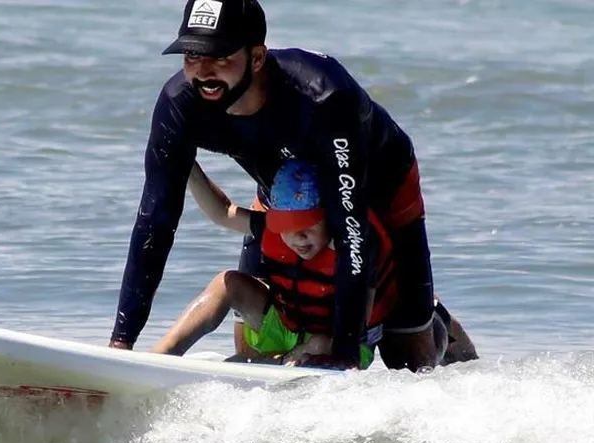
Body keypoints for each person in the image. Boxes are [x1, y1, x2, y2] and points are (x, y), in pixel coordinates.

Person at [109, 0, 464, 370]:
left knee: (409, 363)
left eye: (220, 57)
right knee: (252, 352)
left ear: (257, 57)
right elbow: (155, 221)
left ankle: (436, 318)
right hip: (287, 197)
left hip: (379, 187)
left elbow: (352, 233)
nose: (203, 72)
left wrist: (341, 353)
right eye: (191, 57)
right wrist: (121, 344)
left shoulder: (322, 97)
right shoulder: (180, 106)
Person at [150, 161, 477, 369]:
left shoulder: (353, 249)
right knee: (229, 282)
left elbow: (357, 322)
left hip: (342, 342)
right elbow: (222, 213)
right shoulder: (277, 229)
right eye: (288, 227)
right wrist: (185, 166)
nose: (298, 238)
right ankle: (162, 355)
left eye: (308, 226)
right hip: (289, 326)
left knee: (415, 358)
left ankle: (439, 317)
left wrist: (324, 348)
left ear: (330, 219)